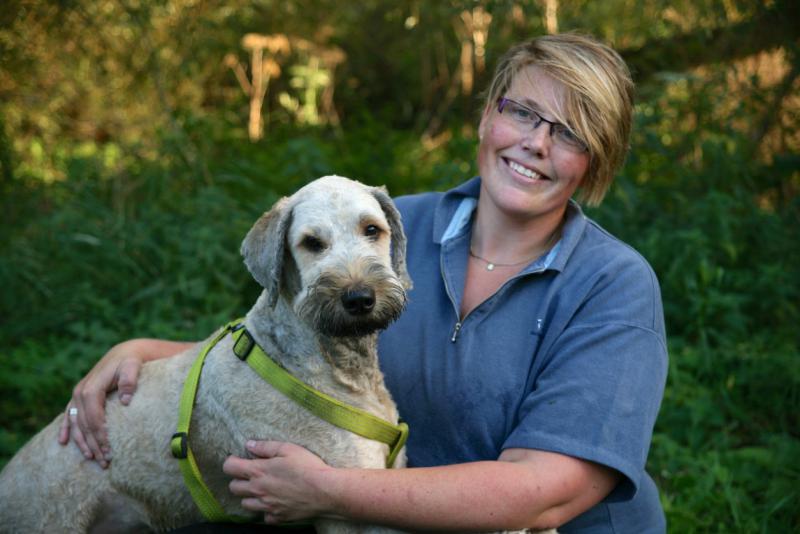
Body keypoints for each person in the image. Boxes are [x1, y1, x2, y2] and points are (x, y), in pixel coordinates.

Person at [59, 32, 668, 532]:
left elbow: (543, 494)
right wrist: (144, 355)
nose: (536, 143)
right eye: (523, 112)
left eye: (570, 132)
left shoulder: (612, 285)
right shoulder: (388, 228)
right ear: (488, 117)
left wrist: (330, 491)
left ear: (596, 161)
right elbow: (288, 352)